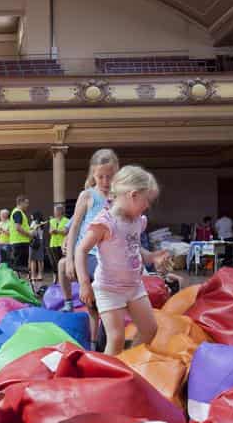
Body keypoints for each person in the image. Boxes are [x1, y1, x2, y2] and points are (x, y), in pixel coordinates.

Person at [75, 165, 170, 355]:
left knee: (150, 330)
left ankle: (127, 362)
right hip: (109, 289)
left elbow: (133, 246)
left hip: (134, 287)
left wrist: (151, 257)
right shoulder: (105, 222)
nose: (148, 206)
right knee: (116, 338)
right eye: (147, 201)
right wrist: (85, 283)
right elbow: (81, 250)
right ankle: (111, 377)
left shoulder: (137, 220)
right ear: (133, 195)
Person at [58, 149, 120, 350]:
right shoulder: (87, 195)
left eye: (109, 177)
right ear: (93, 175)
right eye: (100, 176)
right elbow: (75, 225)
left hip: (106, 256)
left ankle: (96, 342)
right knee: (62, 267)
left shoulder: (118, 197)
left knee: (98, 305)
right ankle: (68, 303)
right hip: (86, 254)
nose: (104, 181)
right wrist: (69, 258)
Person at [8, 196, 32, 274]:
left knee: (19, 267)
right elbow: (18, 227)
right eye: (26, 203)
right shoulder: (18, 212)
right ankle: (17, 284)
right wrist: (29, 234)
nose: (27, 205)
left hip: (19, 242)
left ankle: (18, 283)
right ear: (21, 203)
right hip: (20, 242)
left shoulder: (18, 212)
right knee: (19, 267)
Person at [47, 203, 70, 270]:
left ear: (60, 211)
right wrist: (53, 231)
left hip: (62, 244)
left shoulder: (67, 220)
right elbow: (50, 231)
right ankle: (55, 277)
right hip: (53, 244)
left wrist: (57, 231)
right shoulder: (52, 220)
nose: (54, 212)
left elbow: (66, 232)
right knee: (54, 263)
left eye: (55, 210)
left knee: (63, 261)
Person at [28, 210, 47, 281]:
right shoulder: (41, 223)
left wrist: (30, 230)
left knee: (33, 259)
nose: (31, 216)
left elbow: (32, 232)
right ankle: (40, 275)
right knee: (40, 260)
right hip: (40, 241)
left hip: (34, 241)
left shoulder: (34, 222)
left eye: (32, 215)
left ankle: (33, 275)